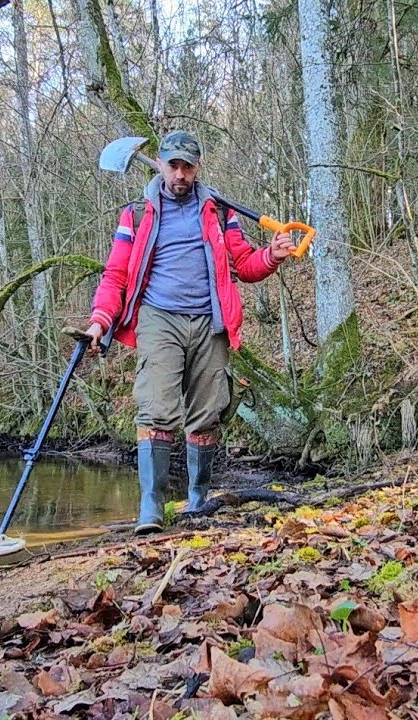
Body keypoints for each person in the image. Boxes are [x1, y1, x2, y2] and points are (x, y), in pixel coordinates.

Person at [84, 130, 295, 534]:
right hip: (159, 318)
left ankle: (197, 498)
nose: (180, 174)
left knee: (207, 412)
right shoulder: (137, 214)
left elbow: (245, 265)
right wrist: (101, 319)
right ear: (161, 164)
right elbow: (115, 275)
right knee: (156, 407)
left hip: (209, 320)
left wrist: (272, 255)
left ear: (198, 168)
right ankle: (152, 507)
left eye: (188, 167)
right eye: (173, 165)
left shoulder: (218, 213)